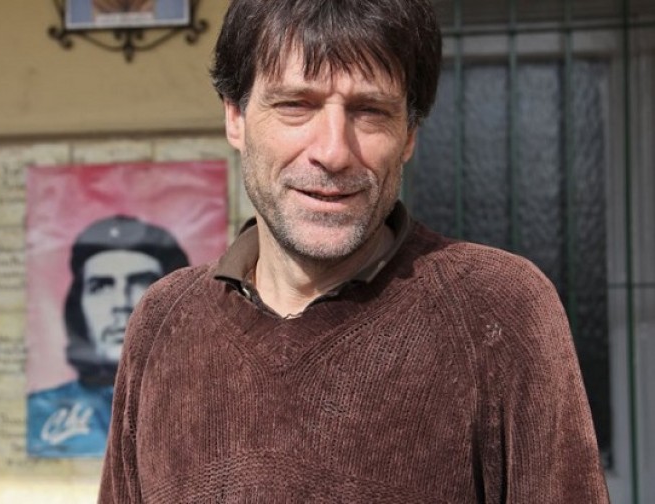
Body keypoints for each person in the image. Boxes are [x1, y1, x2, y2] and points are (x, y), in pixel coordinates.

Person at [99, 0, 610, 501]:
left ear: (409, 134)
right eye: (296, 105)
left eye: (370, 111)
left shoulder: (498, 309)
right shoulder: (164, 321)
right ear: (236, 116)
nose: (333, 152)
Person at [27, 215, 189, 457]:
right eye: (101, 286)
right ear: (78, 307)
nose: (120, 303)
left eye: (141, 282)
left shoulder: (213, 408)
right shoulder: (38, 416)